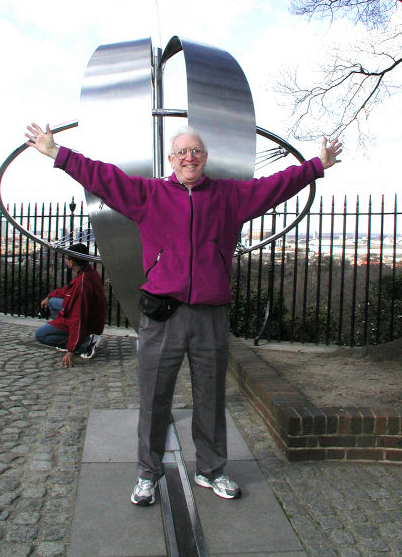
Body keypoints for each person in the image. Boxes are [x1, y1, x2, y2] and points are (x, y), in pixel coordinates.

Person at [25, 122, 342, 504]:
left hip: (210, 315)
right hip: (162, 316)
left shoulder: (229, 197)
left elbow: (274, 187)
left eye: (196, 152)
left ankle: (212, 470)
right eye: (182, 153)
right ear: (172, 160)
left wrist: (316, 165)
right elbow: (104, 177)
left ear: (205, 160)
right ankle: (147, 474)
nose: (189, 158)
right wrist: (59, 154)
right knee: (154, 398)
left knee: (210, 397)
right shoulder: (149, 194)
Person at [35, 242, 107, 368]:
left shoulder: (82, 284)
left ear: (72, 262)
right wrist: (50, 295)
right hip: (93, 317)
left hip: (88, 323)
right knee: (53, 302)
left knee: (40, 334)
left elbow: (77, 319)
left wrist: (71, 350)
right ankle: (75, 338)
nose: (66, 261)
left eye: (67, 258)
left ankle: (85, 344)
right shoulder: (87, 273)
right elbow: (68, 291)